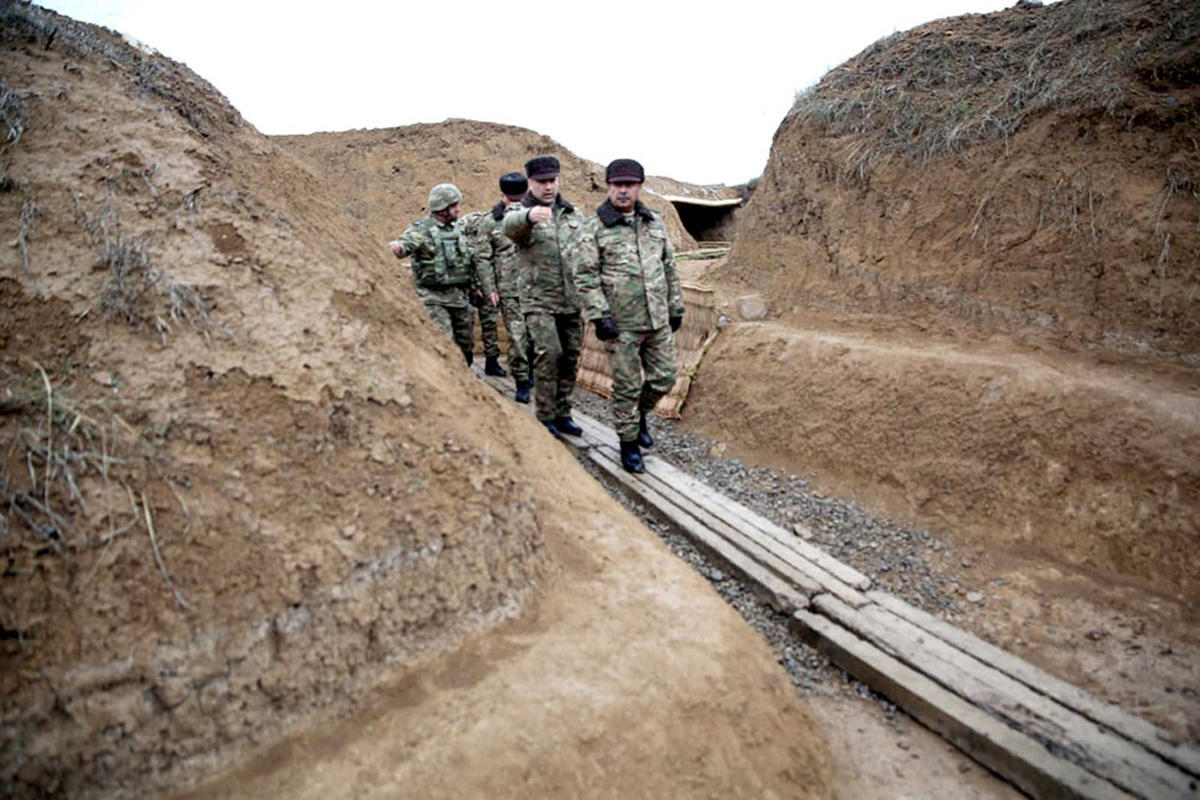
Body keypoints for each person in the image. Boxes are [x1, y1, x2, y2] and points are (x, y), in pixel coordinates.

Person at [576, 159, 684, 473]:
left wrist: (675, 307)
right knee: (626, 386)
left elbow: (669, 268)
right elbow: (585, 276)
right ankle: (628, 444)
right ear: (608, 186)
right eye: (618, 184)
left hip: (657, 319)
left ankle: (637, 419)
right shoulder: (594, 227)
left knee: (664, 377)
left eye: (630, 184)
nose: (624, 190)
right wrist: (599, 315)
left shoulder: (654, 223)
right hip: (620, 325)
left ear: (639, 187)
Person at [503, 156, 586, 438]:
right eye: (542, 182)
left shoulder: (573, 214)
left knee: (570, 358)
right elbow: (509, 226)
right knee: (549, 355)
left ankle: (563, 413)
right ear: (531, 183)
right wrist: (529, 217)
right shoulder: (520, 210)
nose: (548, 187)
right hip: (538, 300)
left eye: (552, 180)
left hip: (571, 300)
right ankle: (545, 415)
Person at [388, 183, 480, 365]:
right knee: (445, 345)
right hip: (434, 299)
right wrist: (396, 247)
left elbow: (469, 262)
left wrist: (475, 288)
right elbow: (405, 244)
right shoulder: (422, 229)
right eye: (454, 206)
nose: (458, 209)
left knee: (466, 346)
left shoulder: (458, 230)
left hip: (460, 298)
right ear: (442, 207)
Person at [462, 172, 534, 400]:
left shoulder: (535, 215)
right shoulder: (490, 221)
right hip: (510, 289)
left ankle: (531, 375)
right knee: (517, 335)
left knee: (534, 336)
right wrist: (490, 287)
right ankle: (522, 381)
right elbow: (483, 258)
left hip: (537, 288)